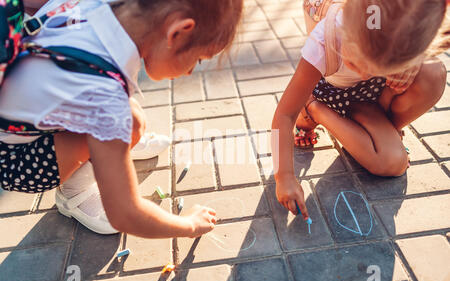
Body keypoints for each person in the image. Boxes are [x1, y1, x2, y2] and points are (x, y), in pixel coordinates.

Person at [0, 0, 243, 237]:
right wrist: (189, 225)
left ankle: (111, 150)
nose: (190, 71)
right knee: (130, 122)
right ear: (178, 31)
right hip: (15, 162)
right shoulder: (103, 94)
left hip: (21, 117)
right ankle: (75, 193)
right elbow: (126, 214)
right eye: (198, 59)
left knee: (125, 119)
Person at [272, 0, 449, 217]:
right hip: (330, 94)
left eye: (377, 68)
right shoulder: (325, 38)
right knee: (393, 162)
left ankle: (370, 131)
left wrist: (414, 60)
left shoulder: (396, 29)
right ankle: (313, 108)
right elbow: (284, 114)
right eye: (357, 63)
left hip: (369, 99)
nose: (364, 74)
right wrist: (285, 176)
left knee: (434, 72)